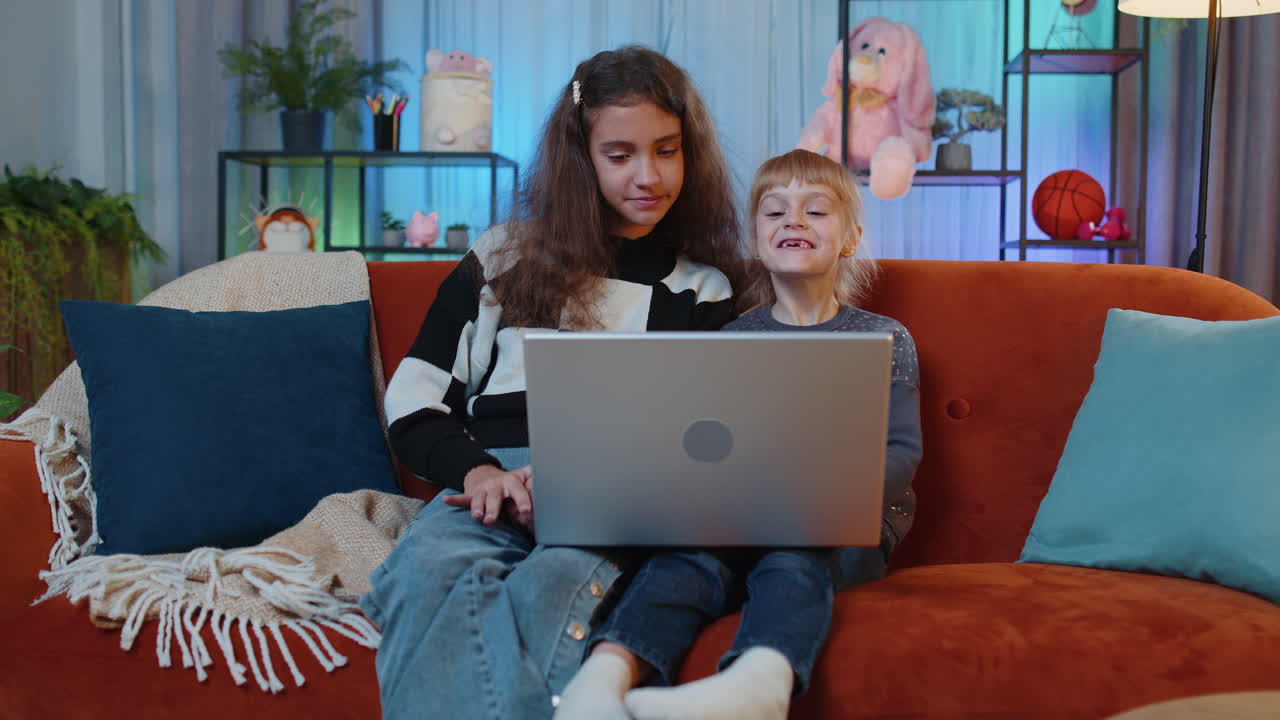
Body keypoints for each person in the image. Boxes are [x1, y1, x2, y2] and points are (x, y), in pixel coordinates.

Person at [359, 46, 746, 720]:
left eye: (667, 150)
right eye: (620, 154)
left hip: (610, 503)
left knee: (553, 585)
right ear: (580, 157)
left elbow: (698, 444)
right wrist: (479, 474)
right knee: (422, 573)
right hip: (483, 487)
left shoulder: (702, 290)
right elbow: (415, 399)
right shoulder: (502, 257)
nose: (647, 176)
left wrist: (587, 488)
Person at [552, 148, 923, 720]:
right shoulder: (735, 337)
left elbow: (902, 451)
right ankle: (601, 681)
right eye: (774, 213)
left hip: (849, 527)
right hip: (745, 516)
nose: (793, 221)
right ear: (755, 240)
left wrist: (828, 495)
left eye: (815, 212)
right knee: (684, 559)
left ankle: (761, 682)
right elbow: (705, 447)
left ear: (850, 238)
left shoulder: (884, 337)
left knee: (797, 549)